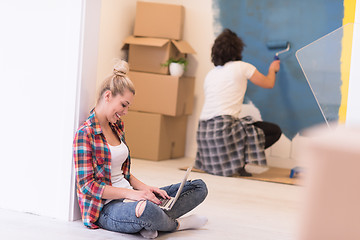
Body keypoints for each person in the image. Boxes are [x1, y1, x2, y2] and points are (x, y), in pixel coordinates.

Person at [73, 60, 208, 239]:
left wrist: (146, 189)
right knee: (147, 211)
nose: (126, 111)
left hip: (132, 196)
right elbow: (88, 186)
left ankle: (148, 224)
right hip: (107, 208)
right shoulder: (85, 134)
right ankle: (177, 225)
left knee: (199, 187)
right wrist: (134, 195)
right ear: (108, 96)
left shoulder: (117, 126)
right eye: (124, 104)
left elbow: (124, 174)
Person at [195, 28, 282, 177]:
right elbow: (268, 83)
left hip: (204, 135)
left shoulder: (211, 73)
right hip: (222, 131)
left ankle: (234, 163)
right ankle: (239, 162)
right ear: (237, 49)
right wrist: (273, 69)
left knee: (245, 125)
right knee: (274, 131)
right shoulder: (242, 67)